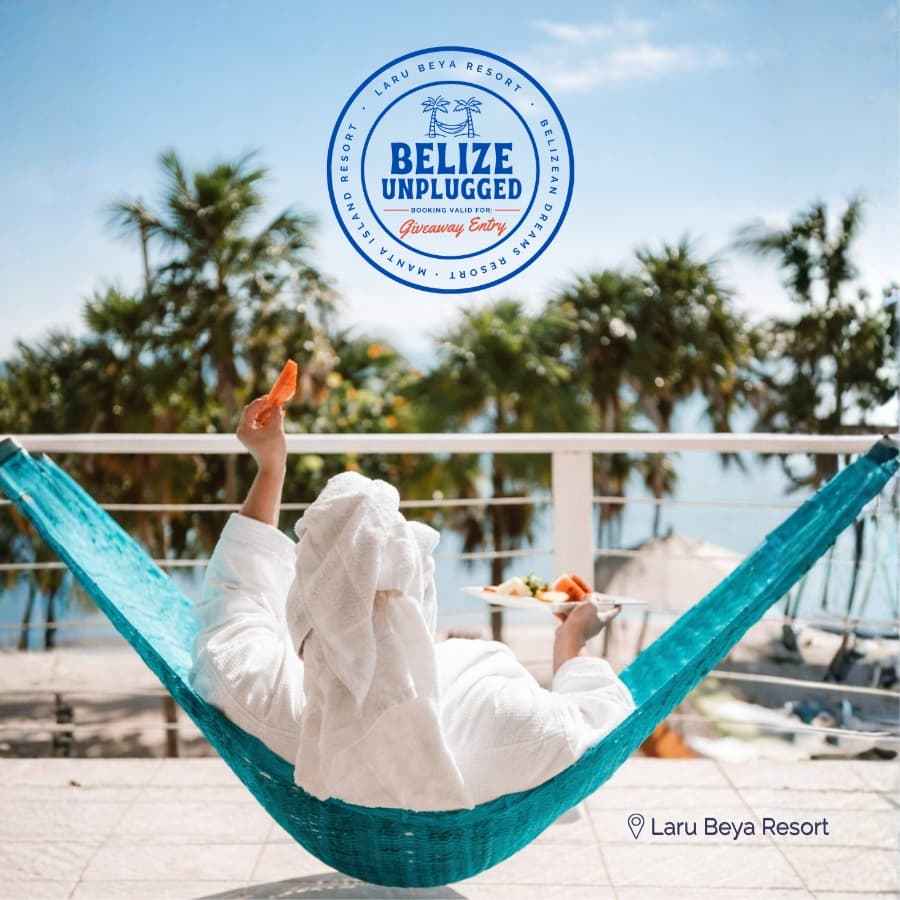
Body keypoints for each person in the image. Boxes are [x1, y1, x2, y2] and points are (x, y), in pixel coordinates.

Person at [190, 396, 636, 811]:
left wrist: (271, 465)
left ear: (305, 594)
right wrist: (571, 637)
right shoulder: (500, 718)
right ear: (416, 585)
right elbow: (599, 723)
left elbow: (237, 596)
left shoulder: (274, 702)